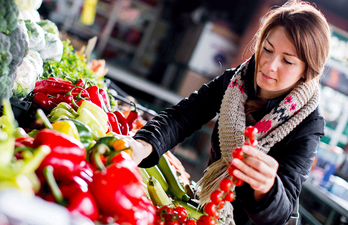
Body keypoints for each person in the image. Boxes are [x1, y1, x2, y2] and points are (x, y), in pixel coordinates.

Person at [121, 0, 331, 224]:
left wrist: (268, 188)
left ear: (306, 72)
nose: (270, 65)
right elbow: (182, 116)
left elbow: (283, 211)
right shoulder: (235, 82)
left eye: (287, 61)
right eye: (267, 49)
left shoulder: (309, 123)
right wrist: (143, 145)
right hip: (208, 210)